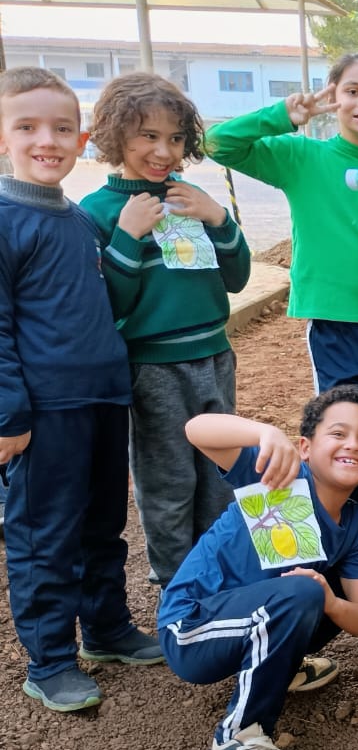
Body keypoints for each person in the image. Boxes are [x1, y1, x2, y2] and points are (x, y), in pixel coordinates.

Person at [204, 53, 358, 537]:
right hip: (333, 320)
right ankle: (330, 531)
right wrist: (285, 114)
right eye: (352, 91)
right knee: (340, 431)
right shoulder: (303, 157)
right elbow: (217, 143)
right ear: (334, 98)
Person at [0, 67, 163, 713]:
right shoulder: (7, 219)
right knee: (44, 532)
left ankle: (106, 628)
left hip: (102, 399)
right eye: (28, 127)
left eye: (61, 128)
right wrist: (9, 412)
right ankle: (50, 658)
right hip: (45, 411)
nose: (48, 140)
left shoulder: (74, 218)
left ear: (82, 136)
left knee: (103, 523)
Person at [159, 387, 358, 750]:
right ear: (305, 447)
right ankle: (237, 741)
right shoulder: (279, 475)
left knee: (323, 592)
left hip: (258, 617)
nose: (352, 444)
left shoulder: (356, 528)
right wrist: (263, 432)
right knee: (303, 590)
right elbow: (197, 429)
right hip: (191, 629)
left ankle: (276, 668)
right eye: (338, 433)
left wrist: (332, 601)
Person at [80, 72, 252, 589]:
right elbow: (109, 304)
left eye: (175, 138)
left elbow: (238, 277)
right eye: (148, 136)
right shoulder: (97, 212)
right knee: (168, 480)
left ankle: (216, 575)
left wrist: (219, 218)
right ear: (115, 134)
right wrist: (129, 236)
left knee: (220, 475)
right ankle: (179, 587)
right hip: (153, 369)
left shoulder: (191, 197)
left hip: (215, 356)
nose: (163, 150)